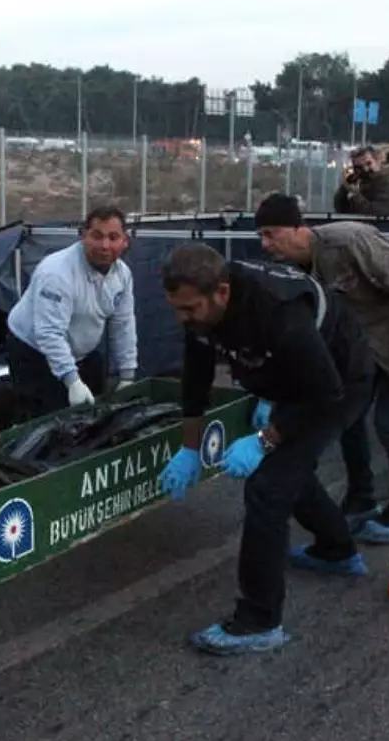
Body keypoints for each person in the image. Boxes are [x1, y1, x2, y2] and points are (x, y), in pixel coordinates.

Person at [156, 243, 374, 656]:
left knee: (268, 487)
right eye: (176, 309)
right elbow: (195, 380)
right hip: (292, 381)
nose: (181, 319)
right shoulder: (202, 313)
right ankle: (336, 550)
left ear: (221, 292)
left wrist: (265, 439)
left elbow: (325, 393)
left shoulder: (278, 312)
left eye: (189, 310)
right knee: (288, 473)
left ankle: (258, 620)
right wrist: (189, 447)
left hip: (339, 383)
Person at [254, 193, 389, 543]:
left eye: (271, 234)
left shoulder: (349, 242)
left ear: (297, 227)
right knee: (346, 419)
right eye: (261, 235)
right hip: (363, 351)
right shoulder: (297, 269)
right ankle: (361, 498)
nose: (265, 244)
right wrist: (272, 393)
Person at [5, 205, 138, 420]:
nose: (105, 245)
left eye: (113, 237)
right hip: (33, 351)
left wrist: (127, 375)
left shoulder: (122, 274)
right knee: (47, 422)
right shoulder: (57, 273)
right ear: (83, 235)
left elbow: (123, 324)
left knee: (90, 420)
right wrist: (72, 381)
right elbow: (49, 333)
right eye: (97, 236)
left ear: (125, 241)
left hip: (81, 353)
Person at [333, 146, 389, 216]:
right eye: (359, 167)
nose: (365, 169)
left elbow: (377, 214)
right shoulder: (360, 181)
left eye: (368, 164)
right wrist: (344, 188)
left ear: (377, 161)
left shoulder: (387, 183)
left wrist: (355, 194)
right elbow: (341, 209)